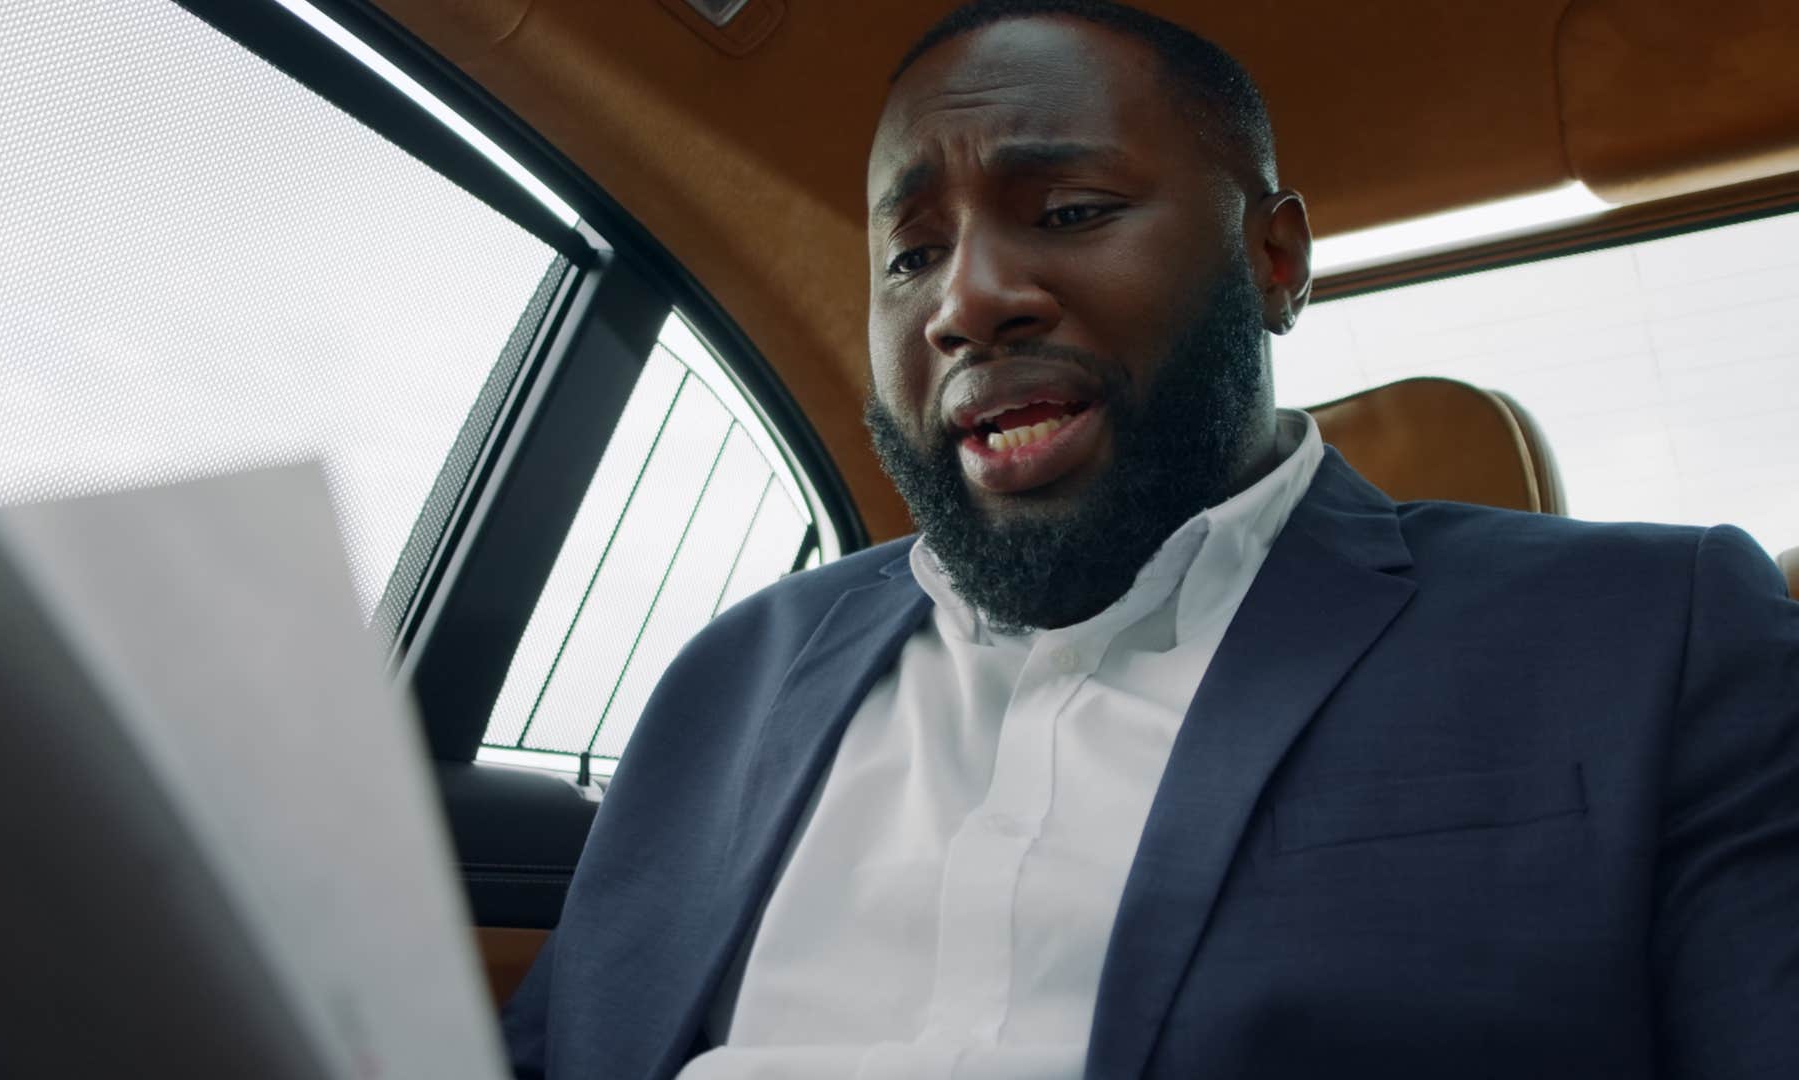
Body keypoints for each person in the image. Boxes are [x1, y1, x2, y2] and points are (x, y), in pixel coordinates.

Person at [501, 1, 1799, 1076]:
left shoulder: (1652, 630)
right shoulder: (728, 678)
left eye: (1067, 211)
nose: (967, 302)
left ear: (1277, 258)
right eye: (909, 255)